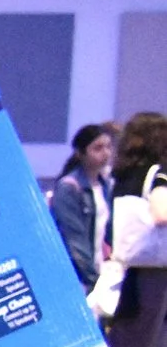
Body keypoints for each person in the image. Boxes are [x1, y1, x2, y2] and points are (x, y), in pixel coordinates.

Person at [90, 112, 167, 347]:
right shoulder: (158, 175)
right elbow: (162, 213)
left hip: (126, 275)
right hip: (148, 279)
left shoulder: (127, 176)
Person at [49, 121, 116, 292]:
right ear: (80, 153)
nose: (106, 153)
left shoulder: (105, 184)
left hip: (98, 268)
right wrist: (94, 279)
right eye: (98, 148)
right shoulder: (70, 187)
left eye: (108, 147)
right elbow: (74, 239)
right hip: (76, 276)